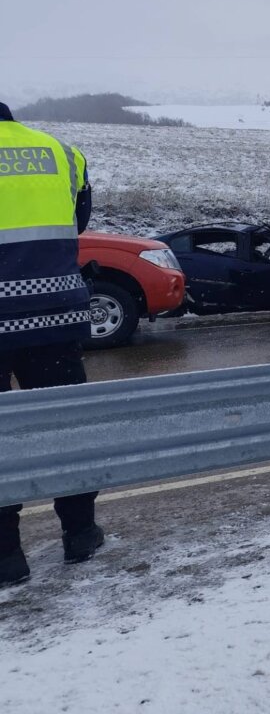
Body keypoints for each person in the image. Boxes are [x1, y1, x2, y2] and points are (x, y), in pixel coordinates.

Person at [0, 101, 105, 588]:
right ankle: (80, 534)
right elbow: (77, 220)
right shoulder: (60, 151)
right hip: (54, 312)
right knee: (66, 428)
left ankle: (5, 557)